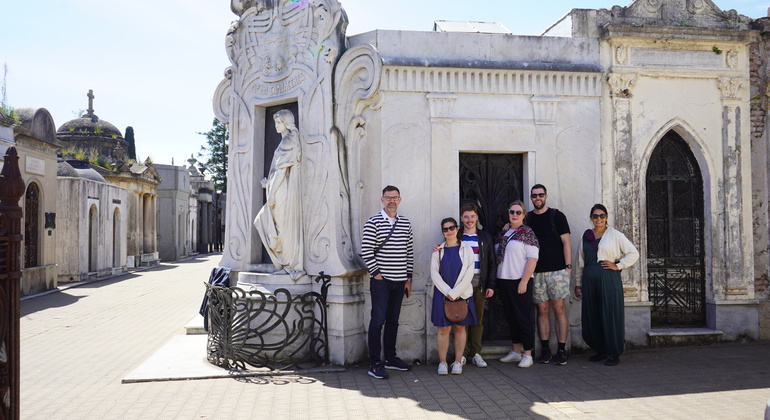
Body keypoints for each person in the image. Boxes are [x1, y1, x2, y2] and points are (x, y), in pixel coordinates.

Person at [575, 204, 639, 366]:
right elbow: (579, 261)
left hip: (608, 277)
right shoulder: (586, 236)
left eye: (602, 216)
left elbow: (633, 253)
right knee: (593, 314)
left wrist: (618, 265)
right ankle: (600, 349)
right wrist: (578, 282)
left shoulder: (615, 235)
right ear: (591, 218)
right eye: (595, 216)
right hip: (589, 278)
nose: (599, 219)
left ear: (606, 217)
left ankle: (613, 352)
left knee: (610, 313)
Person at [360, 185, 414, 379]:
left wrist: (408, 278)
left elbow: (409, 252)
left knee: (393, 321)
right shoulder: (373, 222)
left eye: (395, 197)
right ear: (382, 200)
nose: (392, 201)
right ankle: (375, 363)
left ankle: (391, 358)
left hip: (400, 282)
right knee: (377, 321)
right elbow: (366, 250)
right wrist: (377, 274)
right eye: (388, 197)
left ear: (400, 200)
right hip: (381, 282)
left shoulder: (405, 223)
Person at [253, 109, 304, 279]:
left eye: (279, 122)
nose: (276, 126)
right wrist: (269, 185)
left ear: (287, 123)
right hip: (279, 188)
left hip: (282, 191)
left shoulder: (288, 141)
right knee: (277, 226)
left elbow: (281, 173)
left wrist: (272, 193)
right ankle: (284, 262)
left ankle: (288, 263)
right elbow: (278, 171)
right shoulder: (286, 141)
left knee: (282, 227)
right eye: (275, 122)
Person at [527, 184, 572, 365]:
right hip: (536, 272)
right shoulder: (528, 218)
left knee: (559, 309)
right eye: (534, 195)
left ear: (546, 196)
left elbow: (566, 242)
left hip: (557, 271)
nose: (538, 198)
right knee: (542, 310)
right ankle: (545, 349)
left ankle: (561, 350)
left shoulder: (557, 216)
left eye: (541, 195)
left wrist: (568, 267)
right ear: (531, 198)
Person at [430, 217, 477, 375]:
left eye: (452, 228)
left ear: (457, 229)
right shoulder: (438, 251)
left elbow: (469, 273)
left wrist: (456, 293)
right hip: (442, 294)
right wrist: (449, 292)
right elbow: (434, 273)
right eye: (445, 229)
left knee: (459, 327)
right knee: (443, 329)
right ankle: (442, 362)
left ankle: (458, 362)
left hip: (462, 294)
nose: (449, 231)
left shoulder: (466, 249)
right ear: (443, 232)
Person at [496, 201, 539, 368]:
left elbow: (533, 259)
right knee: (511, 318)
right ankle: (515, 351)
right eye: (512, 211)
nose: (514, 215)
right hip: (504, 280)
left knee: (523, 317)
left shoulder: (527, 233)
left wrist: (524, 281)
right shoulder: (504, 233)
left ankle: (527, 353)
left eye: (518, 212)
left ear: (523, 215)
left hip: (519, 280)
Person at [457, 202, 496, 368]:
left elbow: (492, 263)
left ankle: (476, 353)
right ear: (461, 218)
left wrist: (491, 285)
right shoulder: (456, 236)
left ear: (477, 217)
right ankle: (462, 354)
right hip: (461, 286)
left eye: (472, 216)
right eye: (466, 217)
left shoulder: (485, 237)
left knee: (478, 320)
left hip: (480, 284)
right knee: (462, 320)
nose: (469, 220)